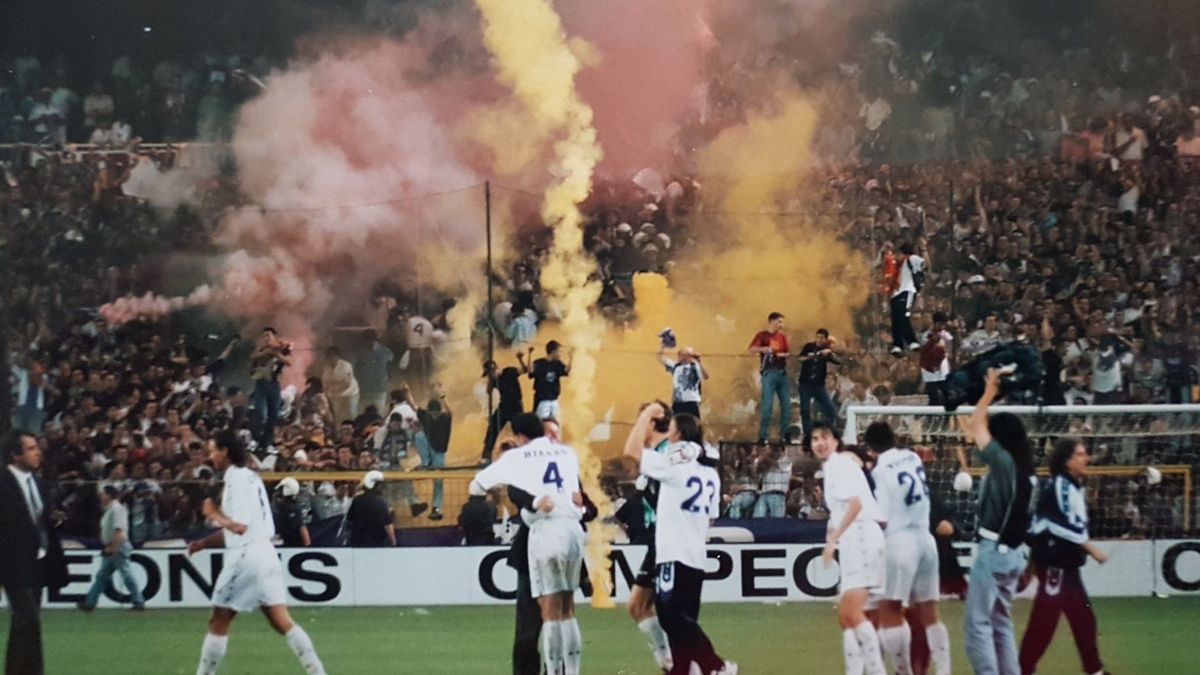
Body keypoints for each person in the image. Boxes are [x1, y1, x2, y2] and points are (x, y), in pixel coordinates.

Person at [188, 430, 326, 675]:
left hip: (245, 556)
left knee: (218, 620)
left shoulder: (235, 479)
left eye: (213, 450)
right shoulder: (251, 477)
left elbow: (239, 527)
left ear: (225, 451)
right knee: (281, 621)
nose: (211, 456)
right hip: (266, 553)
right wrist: (203, 544)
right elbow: (244, 527)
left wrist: (212, 513)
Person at [624, 403, 737, 675]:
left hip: (673, 551)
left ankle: (716, 666)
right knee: (682, 619)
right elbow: (710, 518)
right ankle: (683, 670)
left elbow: (631, 452)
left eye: (671, 430)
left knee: (672, 617)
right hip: (696, 554)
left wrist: (645, 415)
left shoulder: (674, 467)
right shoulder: (710, 473)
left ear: (677, 436)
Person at [470, 413, 585, 675]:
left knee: (550, 612)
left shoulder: (517, 457)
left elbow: (477, 486)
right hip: (574, 531)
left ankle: (554, 671)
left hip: (545, 533)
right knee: (567, 609)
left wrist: (501, 463)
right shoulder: (568, 454)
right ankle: (573, 671)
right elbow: (576, 496)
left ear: (520, 436)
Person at [957, 369, 1036, 675]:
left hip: (993, 551)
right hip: (1015, 554)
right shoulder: (1027, 470)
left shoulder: (1003, 464)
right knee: (1001, 623)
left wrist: (989, 392)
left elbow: (976, 424)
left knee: (977, 625)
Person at [865, 422, 951, 675]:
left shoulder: (878, 472)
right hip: (925, 540)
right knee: (929, 612)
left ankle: (904, 672)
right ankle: (944, 670)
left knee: (891, 609)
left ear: (869, 448)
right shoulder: (912, 457)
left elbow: (879, 514)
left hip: (899, 541)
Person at [1018, 438, 1109, 675]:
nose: (1086, 458)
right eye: (1080, 454)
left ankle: (1094, 669)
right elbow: (1058, 525)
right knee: (1043, 625)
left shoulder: (1070, 486)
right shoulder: (1062, 487)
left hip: (1067, 569)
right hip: (1055, 567)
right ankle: (1021, 670)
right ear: (1067, 461)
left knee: (1084, 620)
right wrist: (1091, 548)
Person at [812, 422, 888, 675]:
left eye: (824, 437)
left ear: (835, 440)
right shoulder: (836, 466)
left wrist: (833, 539)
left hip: (861, 536)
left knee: (851, 613)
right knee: (849, 616)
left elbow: (855, 506)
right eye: (814, 439)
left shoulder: (838, 465)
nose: (819, 443)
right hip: (862, 537)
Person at [0, 432, 68, 675]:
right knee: (26, 616)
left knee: (27, 621)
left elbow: (38, 519)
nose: (37, 452)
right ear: (15, 455)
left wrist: (53, 520)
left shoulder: (37, 483)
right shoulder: (3, 483)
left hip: (37, 560)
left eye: (36, 447)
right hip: (11, 562)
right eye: (30, 448)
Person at [621, 401, 676, 672]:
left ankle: (682, 663)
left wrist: (646, 412)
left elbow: (630, 453)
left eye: (642, 423)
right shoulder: (659, 454)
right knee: (638, 606)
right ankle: (669, 663)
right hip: (659, 538)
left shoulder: (666, 452)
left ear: (653, 424)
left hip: (669, 540)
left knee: (663, 609)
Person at [78, 485, 146, 611]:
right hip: (113, 546)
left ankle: (138, 601)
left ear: (109, 495)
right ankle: (90, 602)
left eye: (102, 494)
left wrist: (113, 547)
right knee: (104, 576)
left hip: (117, 546)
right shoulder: (112, 509)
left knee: (125, 574)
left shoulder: (116, 509)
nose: (100, 496)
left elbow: (119, 530)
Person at [748, 312, 791, 443]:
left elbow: (788, 352)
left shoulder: (782, 337)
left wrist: (781, 355)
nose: (781, 325)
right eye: (779, 322)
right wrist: (764, 349)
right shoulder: (762, 335)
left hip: (782, 373)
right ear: (771, 321)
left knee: (786, 406)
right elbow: (751, 349)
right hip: (768, 373)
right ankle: (763, 436)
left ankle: (784, 435)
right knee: (767, 406)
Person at [249, 327, 290, 450]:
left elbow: (288, 361)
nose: (266, 338)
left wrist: (276, 353)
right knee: (260, 412)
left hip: (274, 384)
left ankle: (266, 443)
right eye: (264, 336)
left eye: (268, 335)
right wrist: (266, 353)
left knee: (273, 416)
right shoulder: (262, 350)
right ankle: (256, 438)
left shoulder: (283, 348)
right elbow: (253, 358)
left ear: (274, 336)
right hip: (261, 383)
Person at [796, 329, 840, 434]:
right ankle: (807, 433)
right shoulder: (809, 346)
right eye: (818, 337)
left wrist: (830, 352)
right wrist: (813, 356)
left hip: (819, 385)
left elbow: (838, 361)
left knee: (830, 408)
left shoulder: (826, 350)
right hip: (805, 384)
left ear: (825, 339)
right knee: (805, 409)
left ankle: (828, 429)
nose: (819, 340)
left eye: (822, 338)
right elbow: (800, 358)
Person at [483, 360, 525, 464]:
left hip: (516, 405)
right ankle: (486, 457)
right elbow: (488, 392)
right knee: (492, 429)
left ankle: (524, 453)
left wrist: (520, 359)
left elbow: (524, 370)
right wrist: (491, 379)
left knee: (520, 430)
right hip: (504, 406)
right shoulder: (494, 380)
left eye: (490, 372)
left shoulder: (509, 371)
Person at [520, 341, 572, 421]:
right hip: (542, 400)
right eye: (559, 351)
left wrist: (571, 358)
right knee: (542, 423)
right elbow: (530, 371)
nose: (560, 354)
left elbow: (567, 371)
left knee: (555, 424)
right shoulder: (539, 363)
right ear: (553, 351)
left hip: (554, 400)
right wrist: (529, 354)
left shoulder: (557, 363)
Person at [346, 470, 396, 547]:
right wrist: (393, 541)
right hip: (377, 543)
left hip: (358, 543)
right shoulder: (380, 502)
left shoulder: (357, 500)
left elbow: (349, 520)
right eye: (380, 485)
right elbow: (388, 525)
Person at [890, 243, 924, 356]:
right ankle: (897, 345)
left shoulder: (911, 258)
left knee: (903, 316)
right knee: (895, 319)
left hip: (906, 291)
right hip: (896, 293)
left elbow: (923, 264)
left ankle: (912, 341)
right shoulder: (898, 264)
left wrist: (923, 249)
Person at [658, 345, 708, 418]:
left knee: (692, 424)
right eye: (683, 354)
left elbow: (705, 376)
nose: (685, 357)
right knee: (676, 424)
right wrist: (663, 346)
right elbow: (660, 358)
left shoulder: (694, 367)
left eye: (688, 355)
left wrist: (699, 362)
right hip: (678, 402)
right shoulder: (675, 366)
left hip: (691, 402)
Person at [919, 313, 953, 407]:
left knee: (945, 390)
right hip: (929, 367)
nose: (942, 326)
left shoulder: (946, 335)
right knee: (932, 391)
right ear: (935, 323)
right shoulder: (926, 335)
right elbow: (923, 350)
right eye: (941, 324)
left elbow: (949, 348)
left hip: (942, 366)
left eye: (944, 324)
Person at [321, 346, 360, 422]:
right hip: (335, 395)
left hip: (350, 393)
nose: (331, 359)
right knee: (337, 416)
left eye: (333, 356)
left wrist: (333, 385)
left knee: (352, 414)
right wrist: (334, 386)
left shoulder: (346, 366)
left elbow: (347, 384)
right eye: (329, 356)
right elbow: (325, 385)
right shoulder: (326, 368)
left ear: (338, 356)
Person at [273, 477, 311, 547]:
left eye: (281, 489)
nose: (278, 492)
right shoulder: (280, 507)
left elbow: (301, 527)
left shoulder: (292, 509)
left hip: (291, 544)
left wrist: (307, 545)